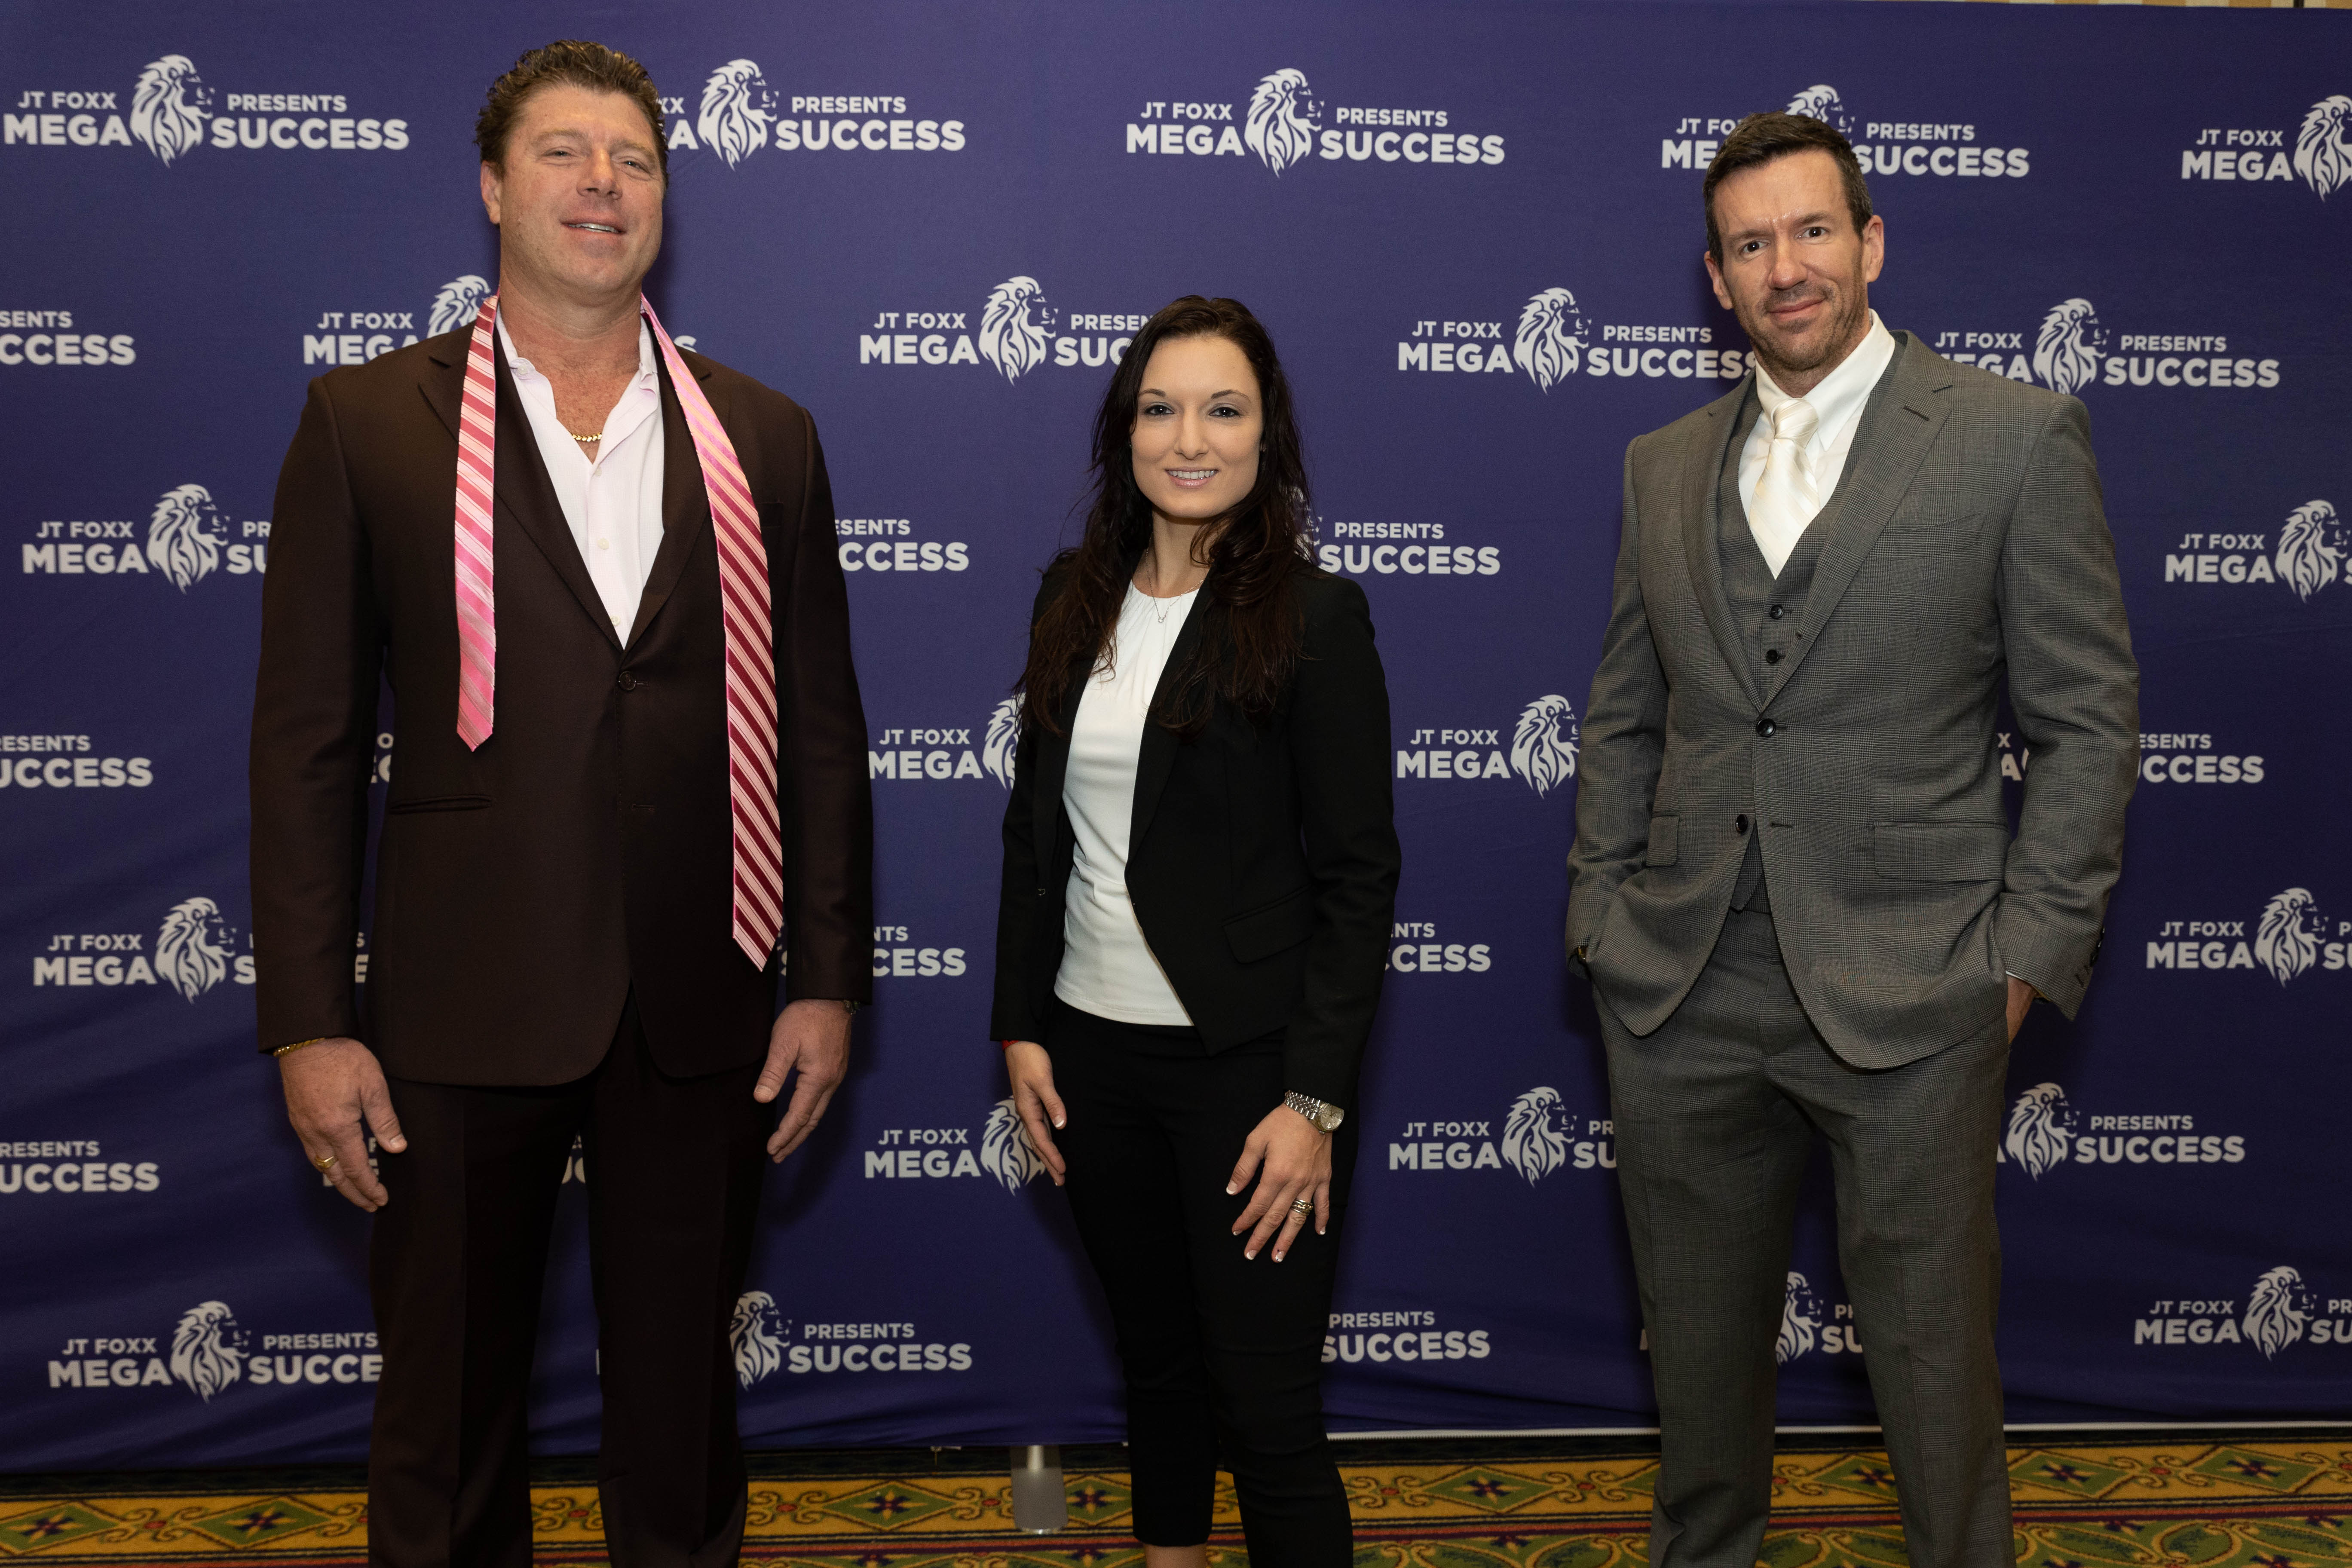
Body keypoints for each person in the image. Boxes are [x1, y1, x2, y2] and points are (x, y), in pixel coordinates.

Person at [249, 40, 872, 1568]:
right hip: (457, 1007)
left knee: (681, 1424)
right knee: (446, 1425)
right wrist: (310, 1022)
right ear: (491, 187)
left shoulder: (765, 436)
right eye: (563, 153)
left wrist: (826, 977)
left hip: (702, 997)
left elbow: (819, 733)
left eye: (634, 160)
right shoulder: (365, 422)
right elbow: (308, 747)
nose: (604, 184)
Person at [1565, 112, 2138, 1568]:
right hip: (1681, 990)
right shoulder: (1659, 465)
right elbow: (1625, 717)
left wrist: (2021, 960)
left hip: (1920, 990)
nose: (1788, 268)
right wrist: (1603, 918)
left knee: (1937, 1391)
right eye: (1751, 245)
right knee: (1698, 1397)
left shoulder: (2013, 438)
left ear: (1871, 242)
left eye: (1814, 230)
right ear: (1717, 280)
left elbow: (2085, 722)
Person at [992, 296, 1399, 1568]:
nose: (1190, 439)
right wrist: (1019, 1025)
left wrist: (1313, 1102)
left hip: (1248, 1074)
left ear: (1267, 435)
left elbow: (1359, 878)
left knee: (1268, 1412)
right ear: (1125, 431)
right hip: (1091, 1062)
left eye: (1224, 410)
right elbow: (1033, 835)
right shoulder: (1071, 596)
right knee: (1156, 1369)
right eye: (1161, 409)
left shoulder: (1315, 618)